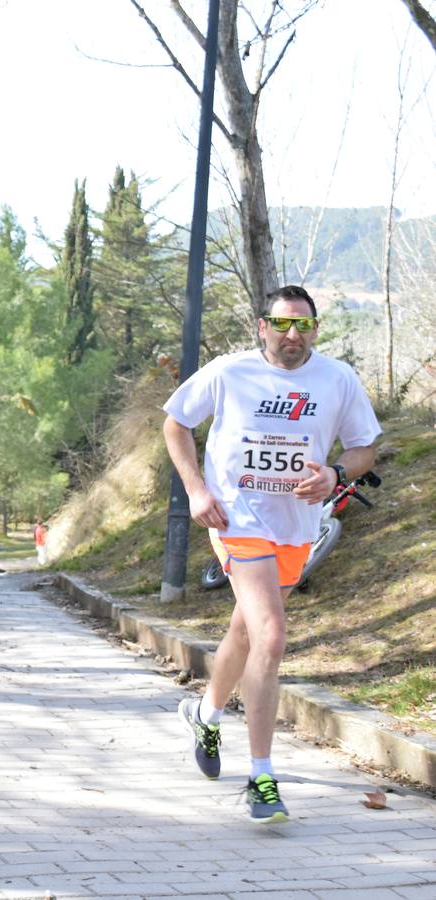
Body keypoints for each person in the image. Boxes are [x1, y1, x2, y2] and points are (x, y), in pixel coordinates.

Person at [164, 285, 380, 824]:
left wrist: (333, 473)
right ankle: (262, 777)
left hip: (296, 525)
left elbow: (364, 448)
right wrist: (196, 490)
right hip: (236, 518)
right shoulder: (229, 371)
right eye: (281, 325)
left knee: (245, 631)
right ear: (262, 326)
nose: (292, 336)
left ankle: (207, 715)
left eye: (303, 326)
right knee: (272, 636)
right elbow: (176, 423)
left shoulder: (337, 379)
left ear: (315, 329)